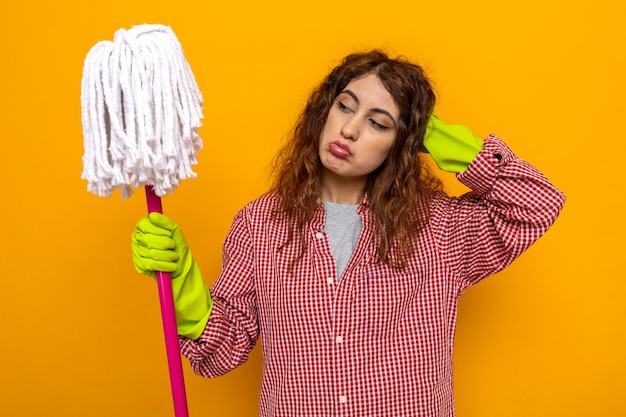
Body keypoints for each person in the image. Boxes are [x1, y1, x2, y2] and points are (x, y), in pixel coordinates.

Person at [131, 50, 565, 416]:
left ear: (404, 143)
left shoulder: (440, 227)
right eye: (345, 105)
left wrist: (436, 134)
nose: (350, 129)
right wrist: (182, 284)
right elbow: (221, 353)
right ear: (324, 110)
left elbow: (536, 204)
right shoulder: (258, 225)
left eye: (379, 123)